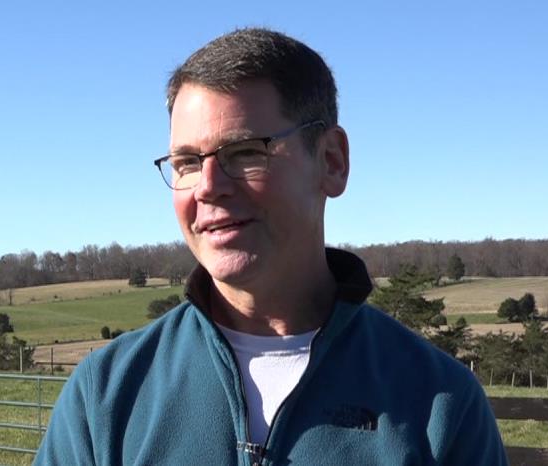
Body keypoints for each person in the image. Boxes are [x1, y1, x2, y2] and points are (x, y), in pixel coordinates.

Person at [34, 28, 507, 465]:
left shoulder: (439, 406)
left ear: (331, 162)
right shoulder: (107, 393)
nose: (208, 186)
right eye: (186, 162)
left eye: (245, 152)